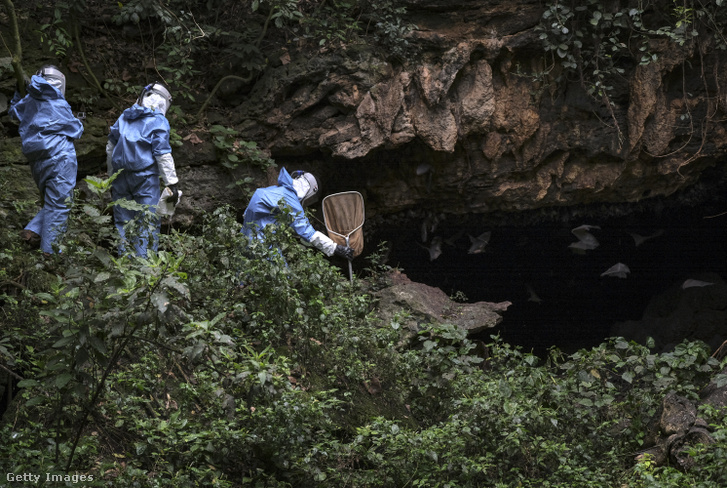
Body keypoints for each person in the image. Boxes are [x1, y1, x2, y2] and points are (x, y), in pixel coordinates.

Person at [9, 65, 84, 254]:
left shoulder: (29, 101)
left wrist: (19, 94)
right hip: (60, 159)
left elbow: (14, 113)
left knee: (53, 203)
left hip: (37, 163)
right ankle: (49, 255)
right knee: (60, 206)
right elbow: (76, 130)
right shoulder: (58, 103)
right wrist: (79, 120)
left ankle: (32, 230)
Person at [106, 83, 179, 257]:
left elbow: (110, 148)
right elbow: (162, 153)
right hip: (144, 178)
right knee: (147, 221)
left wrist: (110, 177)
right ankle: (144, 271)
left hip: (119, 177)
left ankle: (124, 267)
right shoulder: (159, 121)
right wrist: (172, 182)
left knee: (123, 222)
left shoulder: (124, 117)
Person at [241, 167, 354, 260]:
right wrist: (334, 248)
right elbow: (306, 232)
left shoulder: (275, 190)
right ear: (309, 191)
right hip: (262, 243)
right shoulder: (290, 199)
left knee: (243, 276)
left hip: (244, 238)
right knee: (282, 279)